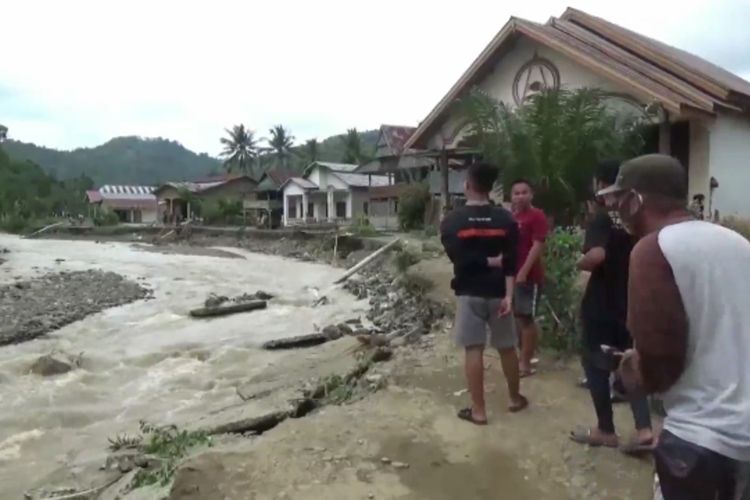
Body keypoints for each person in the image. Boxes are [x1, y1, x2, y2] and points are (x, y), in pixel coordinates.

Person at [602, 154, 750, 499]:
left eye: (622, 199)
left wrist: (630, 370)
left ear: (637, 200)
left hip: (701, 443)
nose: (618, 208)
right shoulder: (739, 244)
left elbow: (659, 358)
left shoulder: (652, 249)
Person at [569, 160, 653, 451]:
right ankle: (643, 429)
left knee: (594, 363)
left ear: (601, 184)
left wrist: (577, 263)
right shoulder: (638, 218)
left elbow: (596, 256)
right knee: (629, 361)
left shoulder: (603, 217)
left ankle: (606, 429)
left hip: (602, 304)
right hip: (632, 302)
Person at [441, 162, 528, 425]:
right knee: (507, 347)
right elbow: (511, 261)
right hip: (500, 292)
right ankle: (514, 398)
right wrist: (509, 295)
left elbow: (458, 259)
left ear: (467, 185)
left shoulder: (453, 221)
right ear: (491, 188)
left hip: (469, 292)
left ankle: (478, 411)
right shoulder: (506, 219)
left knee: (473, 349)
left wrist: (480, 261)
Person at [510, 179, 548, 376]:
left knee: (526, 318)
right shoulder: (512, 217)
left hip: (528, 277)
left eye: (524, 192)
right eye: (516, 193)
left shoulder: (537, 216)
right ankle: (522, 357)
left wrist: (524, 271)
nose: (520, 196)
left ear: (531, 195)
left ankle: (525, 364)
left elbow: (538, 245)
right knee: (517, 316)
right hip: (511, 276)